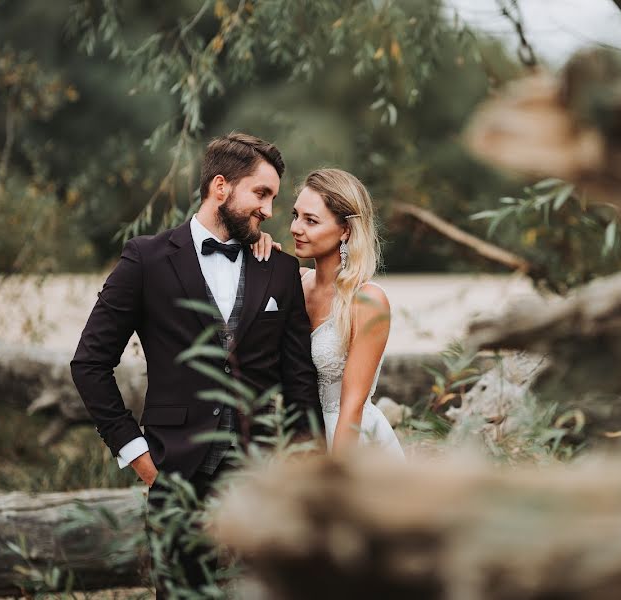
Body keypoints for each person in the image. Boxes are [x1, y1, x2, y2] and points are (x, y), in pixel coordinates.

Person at [70, 132, 323, 598]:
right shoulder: (145, 259)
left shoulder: (280, 269)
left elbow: (300, 382)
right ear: (221, 187)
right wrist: (140, 459)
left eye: (273, 198)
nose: (269, 210)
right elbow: (89, 364)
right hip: (176, 474)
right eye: (261, 194)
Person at [255, 168, 404, 457]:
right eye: (295, 216)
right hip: (296, 438)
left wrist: (334, 480)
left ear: (345, 230)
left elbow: (353, 405)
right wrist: (259, 254)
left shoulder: (368, 301)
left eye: (311, 221)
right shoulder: (293, 283)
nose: (296, 228)